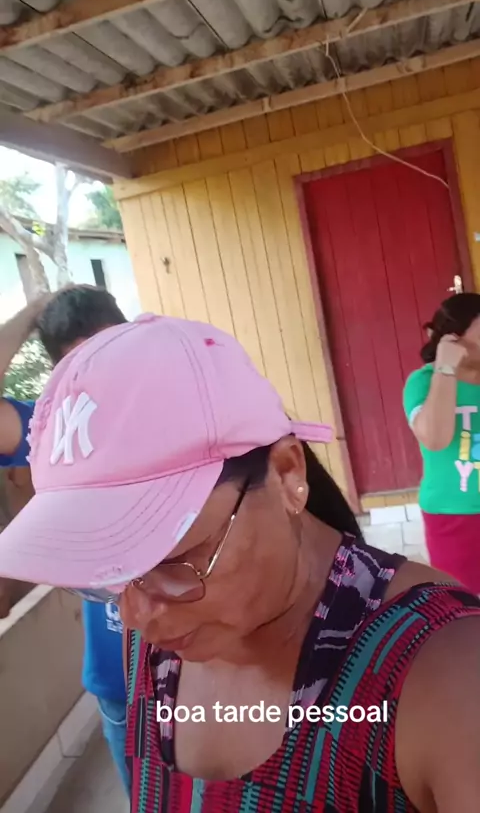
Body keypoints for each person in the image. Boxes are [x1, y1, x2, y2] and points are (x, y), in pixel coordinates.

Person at [1, 313, 480, 813]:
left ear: (287, 473)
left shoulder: (447, 676)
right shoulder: (153, 642)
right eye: (107, 572)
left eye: (170, 557)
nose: (134, 615)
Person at [0, 287, 130, 793]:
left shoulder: (177, 411)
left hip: (201, 674)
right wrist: (32, 312)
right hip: (118, 682)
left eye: (111, 355)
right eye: (81, 366)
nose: (102, 379)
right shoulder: (54, 429)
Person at [403, 292, 480, 594]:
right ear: (454, 338)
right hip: (453, 516)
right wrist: (445, 369)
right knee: (462, 602)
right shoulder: (422, 382)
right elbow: (435, 439)